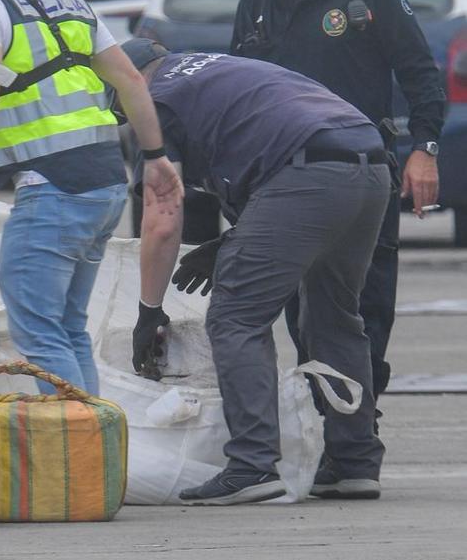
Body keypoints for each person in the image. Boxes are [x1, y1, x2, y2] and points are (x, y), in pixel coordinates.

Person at [127, 40, 391, 506]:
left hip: (305, 175)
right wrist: (233, 240)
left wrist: (150, 310)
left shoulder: (155, 100)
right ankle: (354, 463)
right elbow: (266, 139)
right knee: (333, 318)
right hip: (367, 166)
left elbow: (163, 219)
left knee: (235, 318)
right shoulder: (209, 70)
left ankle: (252, 465)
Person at [0, 0, 182, 395]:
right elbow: (132, 80)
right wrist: (155, 156)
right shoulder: (66, 0)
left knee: (38, 331)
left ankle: (78, 457)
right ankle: (96, 458)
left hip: (54, 187)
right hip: (104, 183)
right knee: (68, 329)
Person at [230, 0, 443, 396]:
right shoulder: (255, 1)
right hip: (284, 185)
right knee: (301, 316)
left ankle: (357, 432)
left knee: (364, 310)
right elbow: (238, 100)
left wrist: (425, 150)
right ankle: (329, 427)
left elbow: (422, 77)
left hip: (361, 179)